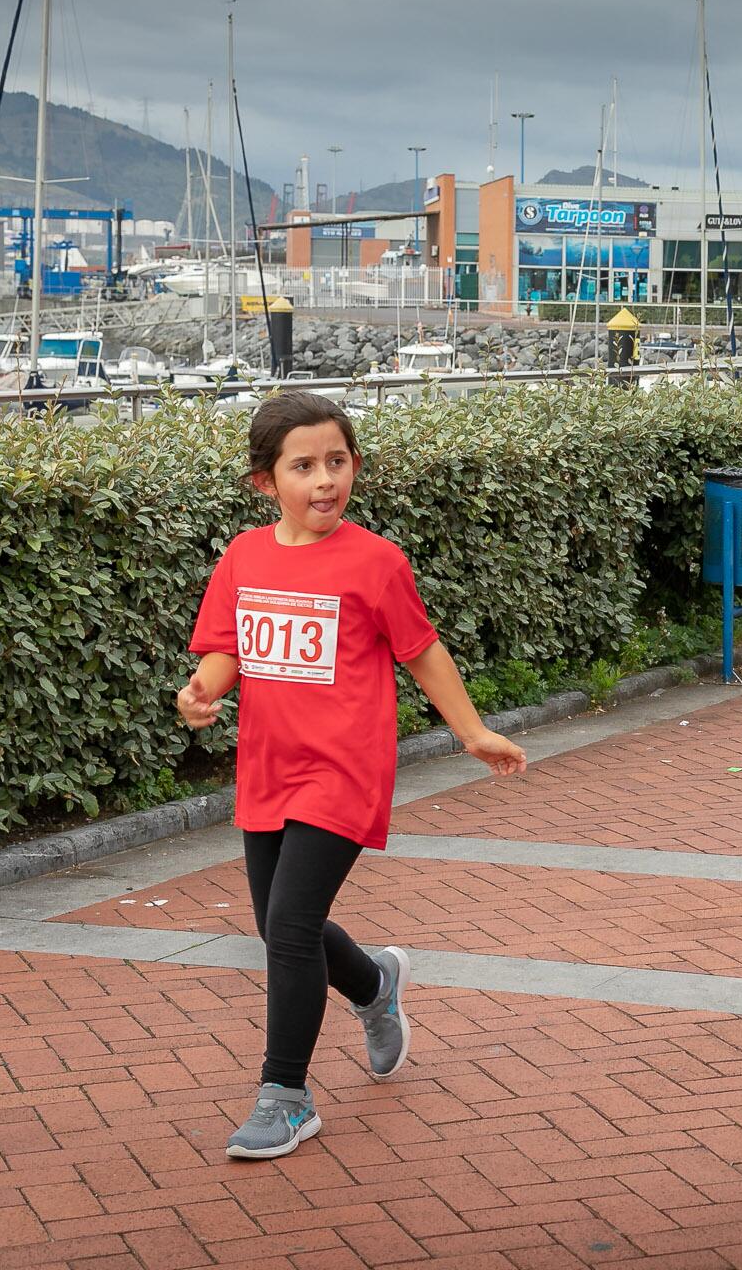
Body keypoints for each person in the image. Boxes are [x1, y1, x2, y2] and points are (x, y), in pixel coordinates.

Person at [178, 391, 528, 1160]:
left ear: (355, 467)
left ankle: (286, 1097)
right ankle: (375, 986)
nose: (324, 480)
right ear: (266, 482)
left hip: (344, 771)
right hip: (267, 769)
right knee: (280, 926)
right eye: (303, 466)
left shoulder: (375, 561)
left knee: (290, 929)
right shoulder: (244, 556)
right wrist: (204, 691)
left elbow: (422, 651)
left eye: (337, 462)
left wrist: (471, 733)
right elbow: (226, 649)